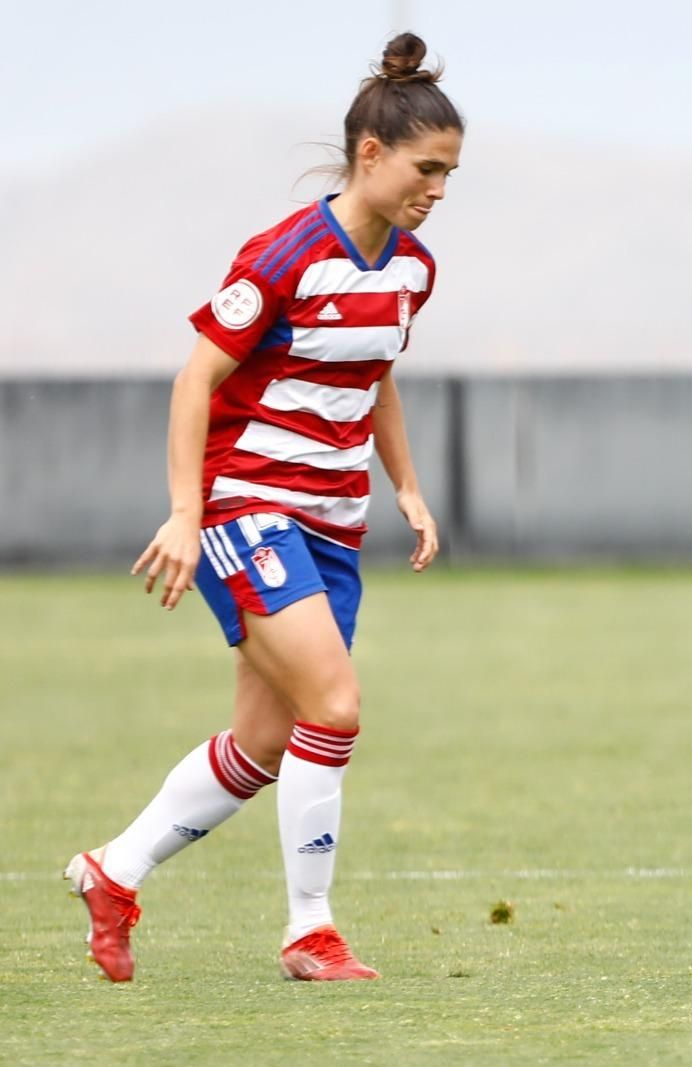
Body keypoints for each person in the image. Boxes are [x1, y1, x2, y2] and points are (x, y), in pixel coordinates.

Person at [64, 32, 463, 982]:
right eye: (426, 168)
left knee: (267, 740)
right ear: (371, 154)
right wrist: (183, 511)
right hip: (250, 505)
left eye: (451, 174)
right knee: (335, 705)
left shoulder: (412, 270)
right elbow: (196, 377)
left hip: (331, 520)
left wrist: (403, 484)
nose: (438, 191)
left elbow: (376, 379)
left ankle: (112, 872)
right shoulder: (285, 253)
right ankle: (309, 930)